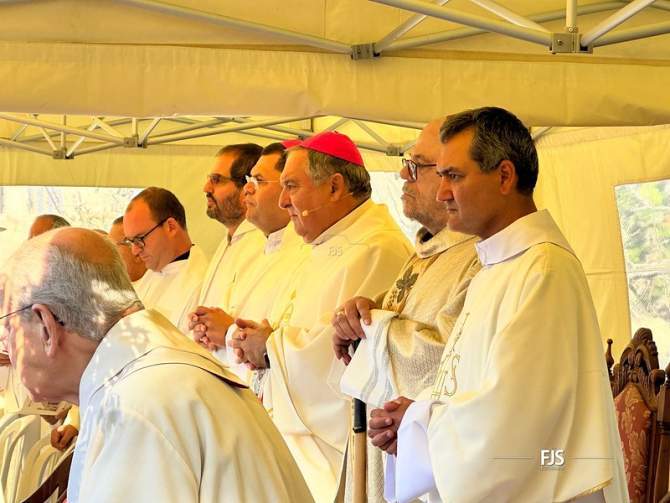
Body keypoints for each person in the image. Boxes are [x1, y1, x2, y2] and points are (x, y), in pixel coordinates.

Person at [369, 107, 628, 503]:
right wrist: (417, 415)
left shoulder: (543, 270)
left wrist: (418, 423)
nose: (441, 193)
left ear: (505, 176)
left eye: (454, 176)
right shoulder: (497, 267)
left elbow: (515, 421)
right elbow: (471, 384)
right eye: (441, 176)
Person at [0, 227, 314, 503]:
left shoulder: (136, 405)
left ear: (46, 325)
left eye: (8, 326)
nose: (5, 345)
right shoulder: (148, 374)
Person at [231, 131, 413, 502]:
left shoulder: (378, 248)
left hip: (335, 454)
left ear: (334, 187)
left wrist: (271, 348)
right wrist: (264, 337)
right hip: (292, 440)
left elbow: (350, 361)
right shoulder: (322, 243)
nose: (283, 201)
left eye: (291, 187)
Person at [333, 118, 480, 502]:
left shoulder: (479, 257)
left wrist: (373, 327)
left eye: (416, 166)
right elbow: (401, 313)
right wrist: (362, 314)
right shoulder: (426, 252)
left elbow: (451, 360)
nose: (402, 174)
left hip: (428, 459)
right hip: (388, 441)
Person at [193, 142, 307, 389]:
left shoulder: (302, 250)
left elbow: (278, 338)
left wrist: (228, 332)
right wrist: (205, 327)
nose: (248, 189)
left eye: (258, 180)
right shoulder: (263, 243)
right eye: (248, 180)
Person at [51, 216, 149, 452]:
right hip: (101, 414)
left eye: (117, 245)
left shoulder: (150, 288)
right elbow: (92, 367)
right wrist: (74, 421)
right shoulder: (104, 298)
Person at [188, 143, 266, 365]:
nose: (206, 188)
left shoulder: (263, 242)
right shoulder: (226, 242)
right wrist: (201, 327)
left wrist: (226, 331)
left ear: (247, 188)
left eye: (217, 180)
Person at [123, 187, 208, 333]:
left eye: (139, 239)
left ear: (171, 227)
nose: (135, 251)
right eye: (130, 242)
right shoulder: (151, 274)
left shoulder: (201, 283)